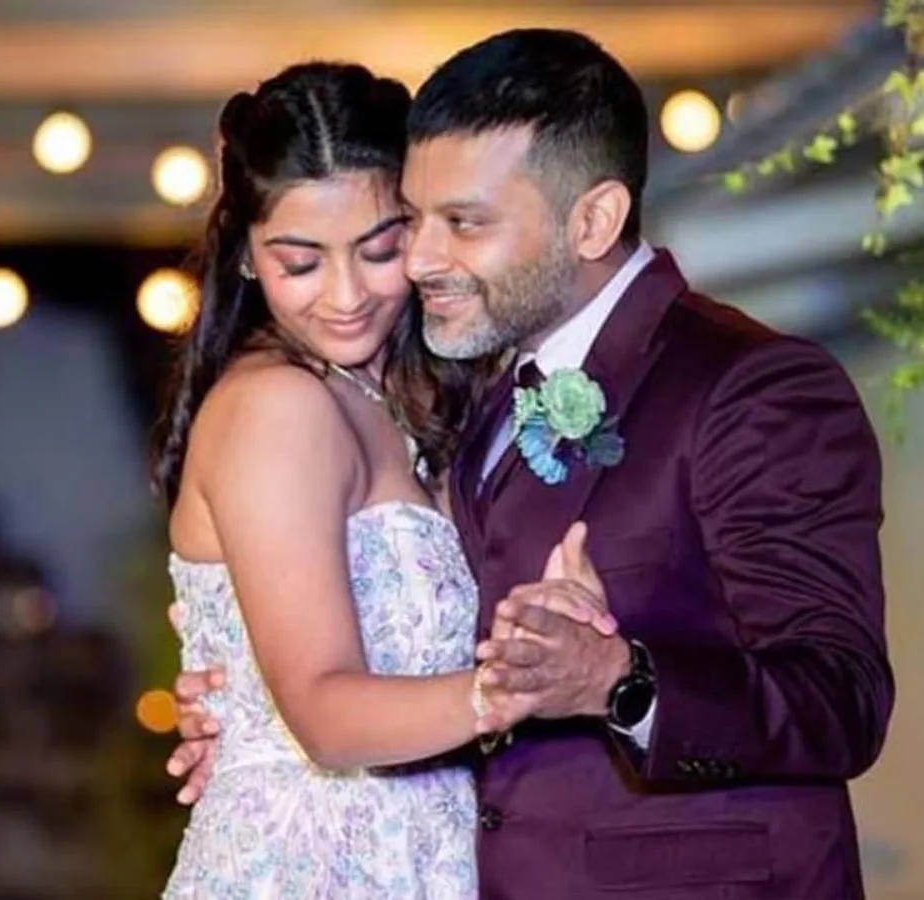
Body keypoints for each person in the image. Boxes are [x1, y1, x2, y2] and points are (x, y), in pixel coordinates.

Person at [167, 29, 897, 899]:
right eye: (417, 222)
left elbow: (840, 697)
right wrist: (253, 709)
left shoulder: (748, 386)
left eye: (459, 224)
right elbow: (346, 676)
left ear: (592, 221)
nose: (421, 261)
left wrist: (622, 680)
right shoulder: (465, 388)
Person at [149, 60, 614, 899]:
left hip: (434, 856)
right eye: (300, 263)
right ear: (246, 254)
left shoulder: (418, 389)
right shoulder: (276, 408)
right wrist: (517, 688)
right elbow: (326, 718)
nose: (346, 295)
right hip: (310, 868)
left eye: (379, 250)